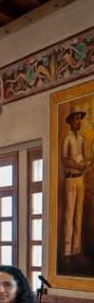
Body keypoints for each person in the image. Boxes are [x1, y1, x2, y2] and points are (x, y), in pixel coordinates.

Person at [61, 106, 88, 257]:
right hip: (70, 179)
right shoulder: (67, 138)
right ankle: (67, 248)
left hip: (80, 179)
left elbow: (84, 158)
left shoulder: (82, 140)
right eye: (76, 118)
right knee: (69, 214)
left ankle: (76, 248)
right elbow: (64, 160)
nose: (79, 122)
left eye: (80, 118)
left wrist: (84, 166)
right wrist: (77, 165)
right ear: (71, 121)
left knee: (79, 214)